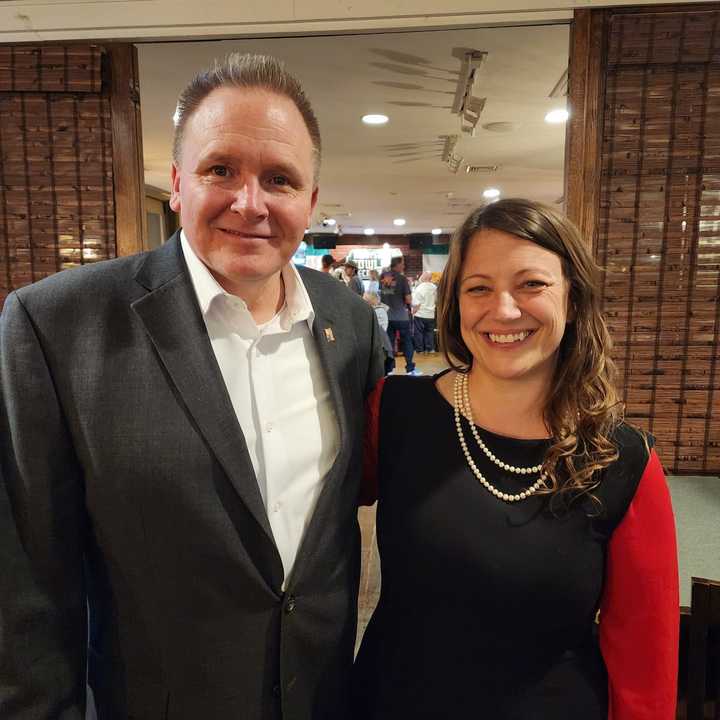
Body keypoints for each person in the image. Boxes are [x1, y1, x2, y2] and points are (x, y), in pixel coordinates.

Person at [0, 53, 383, 720]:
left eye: (280, 179)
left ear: (311, 201)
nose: (251, 203)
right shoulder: (57, 324)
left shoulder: (349, 324)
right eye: (220, 170)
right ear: (177, 183)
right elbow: (24, 584)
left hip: (320, 699)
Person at [354, 198, 678, 719]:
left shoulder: (624, 460)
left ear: (572, 297)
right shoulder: (393, 412)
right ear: (455, 305)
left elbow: (645, 659)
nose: (503, 310)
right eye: (478, 287)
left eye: (532, 284)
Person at [380, 256, 419, 375]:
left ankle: (389, 369)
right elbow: (407, 299)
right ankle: (410, 369)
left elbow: (383, 295)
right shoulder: (402, 279)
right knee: (407, 341)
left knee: (389, 342)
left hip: (386, 316)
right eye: (402, 264)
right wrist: (413, 305)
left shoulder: (383, 277)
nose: (404, 266)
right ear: (397, 264)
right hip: (401, 316)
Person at [364, 291, 395, 376]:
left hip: (380, 345)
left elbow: (375, 328)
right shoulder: (377, 310)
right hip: (379, 344)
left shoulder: (378, 311)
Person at [411, 271, 437, 353]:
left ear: (424, 277)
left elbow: (416, 303)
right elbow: (436, 300)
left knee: (419, 332)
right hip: (431, 314)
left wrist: (413, 312)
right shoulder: (434, 287)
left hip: (420, 313)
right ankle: (430, 349)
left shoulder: (419, 288)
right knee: (429, 332)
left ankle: (420, 349)